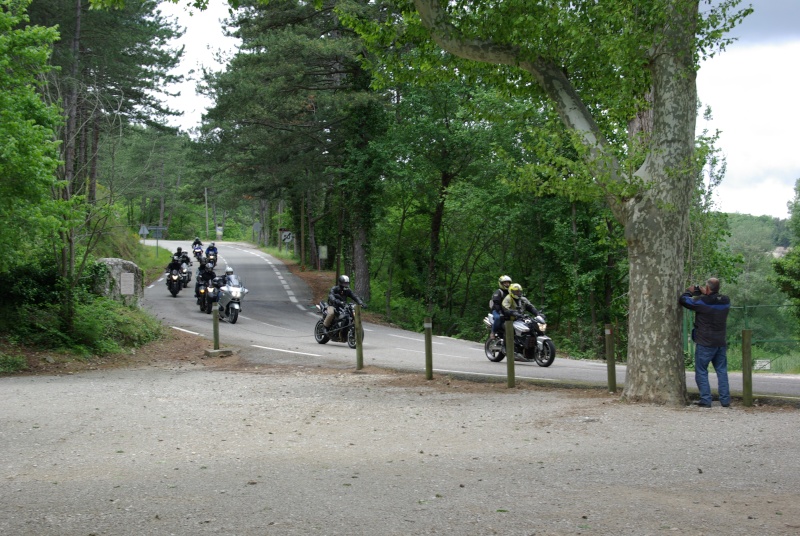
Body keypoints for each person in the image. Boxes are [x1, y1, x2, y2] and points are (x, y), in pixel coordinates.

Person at [679, 277, 731, 408]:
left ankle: (706, 400)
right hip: (720, 342)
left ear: (707, 288)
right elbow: (712, 302)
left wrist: (689, 291)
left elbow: (684, 300)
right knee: (722, 371)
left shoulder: (701, 301)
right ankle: (725, 400)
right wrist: (705, 293)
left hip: (705, 342)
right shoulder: (726, 301)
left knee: (701, 371)